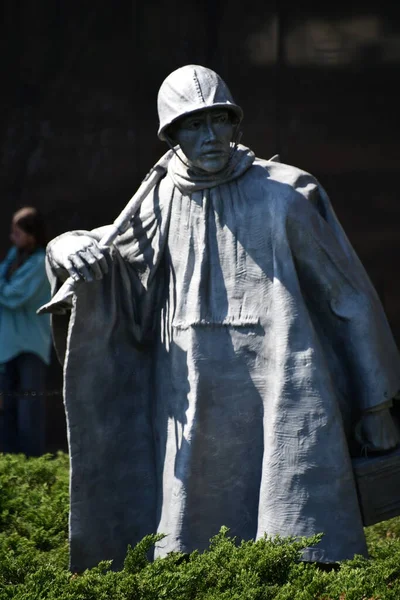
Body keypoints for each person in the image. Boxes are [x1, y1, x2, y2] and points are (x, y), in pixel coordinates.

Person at [45, 65, 400, 571]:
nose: (209, 136)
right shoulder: (160, 199)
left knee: (299, 542)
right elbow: (112, 265)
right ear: (171, 136)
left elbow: (348, 297)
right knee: (192, 546)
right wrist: (64, 246)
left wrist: (375, 404)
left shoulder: (284, 196)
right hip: (191, 393)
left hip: (287, 386)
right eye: (192, 124)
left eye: (218, 120)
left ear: (236, 125)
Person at [0, 207, 52, 456]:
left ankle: (33, 467)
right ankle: (12, 466)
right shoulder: (15, 255)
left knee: (28, 410)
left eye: (17, 233)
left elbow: (12, 296)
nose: (13, 238)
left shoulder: (41, 262)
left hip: (31, 347)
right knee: (7, 408)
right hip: (8, 348)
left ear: (31, 235)